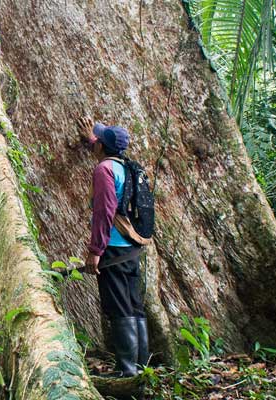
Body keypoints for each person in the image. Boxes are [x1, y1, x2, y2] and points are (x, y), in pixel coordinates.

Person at [77, 116, 149, 377]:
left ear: (101, 147)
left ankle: (127, 371)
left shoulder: (103, 170)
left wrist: (95, 251)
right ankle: (141, 366)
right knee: (133, 306)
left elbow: (104, 212)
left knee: (119, 308)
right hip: (132, 247)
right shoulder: (126, 166)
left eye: (97, 140)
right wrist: (91, 141)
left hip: (113, 249)